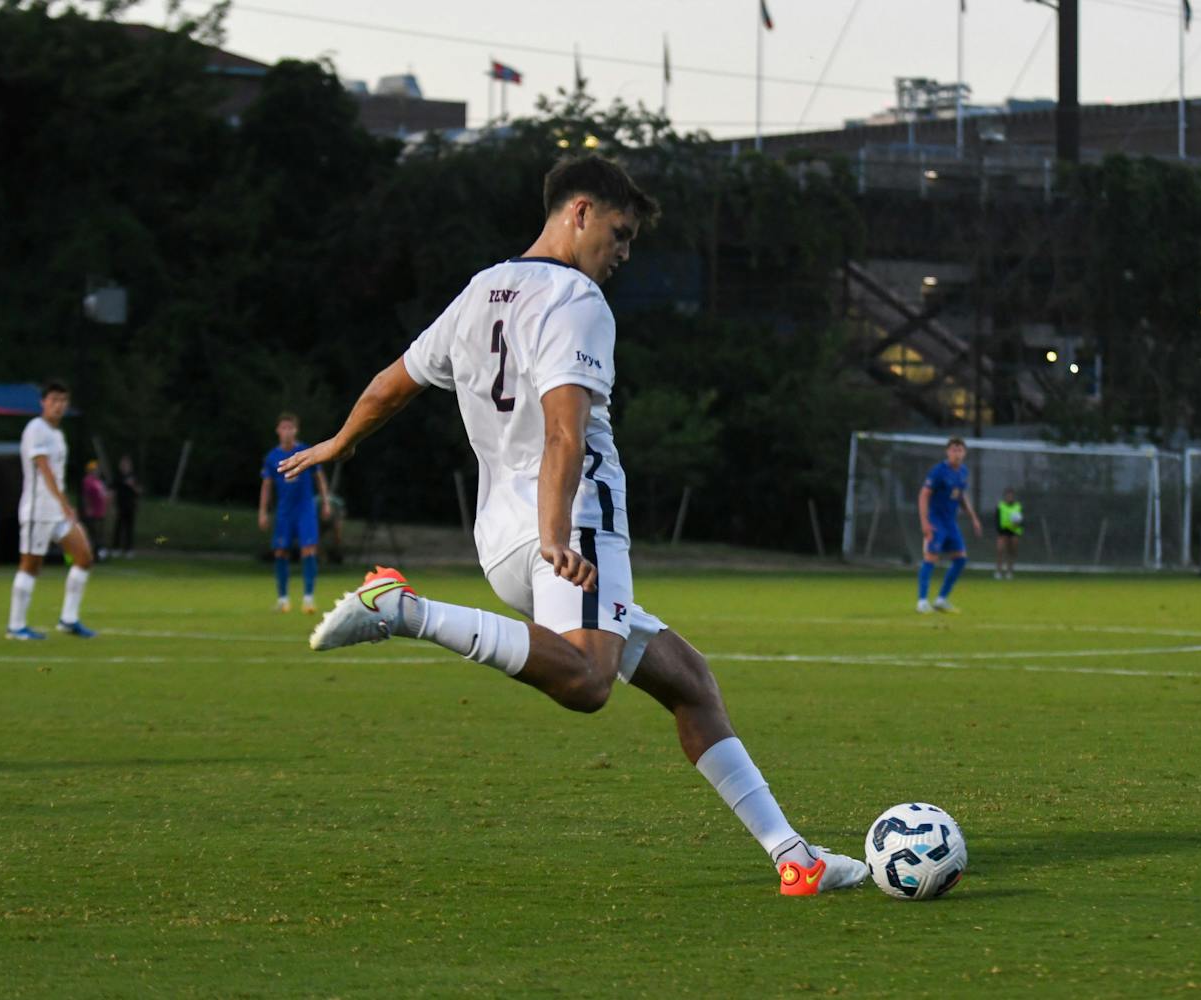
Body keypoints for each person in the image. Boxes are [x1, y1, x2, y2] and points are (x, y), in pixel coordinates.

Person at [279, 154, 867, 896]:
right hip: (571, 527)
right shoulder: (575, 299)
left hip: (502, 539)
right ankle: (404, 608)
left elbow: (392, 384)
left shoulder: (478, 292)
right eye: (619, 233)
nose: (622, 253)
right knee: (589, 681)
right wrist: (558, 532)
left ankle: (795, 858)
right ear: (579, 212)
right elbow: (566, 431)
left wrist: (339, 441)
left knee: (689, 681)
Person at [6, 380, 97, 640]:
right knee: (31, 565)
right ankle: (16, 626)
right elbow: (44, 469)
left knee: (84, 557)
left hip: (57, 512)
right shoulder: (36, 428)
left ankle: (68, 619)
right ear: (43, 402)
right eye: (53, 400)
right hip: (38, 511)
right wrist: (65, 502)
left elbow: (56, 474)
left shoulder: (58, 435)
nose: (58, 405)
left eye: (63, 401)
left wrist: (63, 505)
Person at [259, 413, 331, 614]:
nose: (287, 431)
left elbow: (319, 477)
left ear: (296, 430)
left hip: (305, 510)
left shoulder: (306, 451)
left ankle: (308, 599)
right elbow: (266, 486)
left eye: (290, 428)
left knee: (309, 550)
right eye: (283, 428)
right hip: (284, 512)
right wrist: (263, 512)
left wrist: (325, 502)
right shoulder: (272, 458)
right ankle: (283, 600)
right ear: (278, 431)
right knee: (281, 551)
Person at [916, 438, 983, 613]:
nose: (957, 453)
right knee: (931, 558)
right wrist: (925, 522)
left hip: (950, 522)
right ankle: (922, 601)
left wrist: (973, 518)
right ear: (947, 452)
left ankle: (941, 599)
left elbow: (960, 496)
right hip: (936, 520)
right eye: (954, 450)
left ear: (965, 453)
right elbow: (924, 495)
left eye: (960, 450)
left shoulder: (963, 472)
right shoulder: (939, 471)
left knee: (961, 559)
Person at [111, 454, 141, 558]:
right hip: (120, 505)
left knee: (129, 529)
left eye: (126, 464)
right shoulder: (117, 476)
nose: (124, 466)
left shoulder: (134, 476)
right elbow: (113, 492)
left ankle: (129, 549)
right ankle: (116, 549)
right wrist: (113, 506)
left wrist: (133, 485)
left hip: (130, 506)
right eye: (123, 464)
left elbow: (139, 491)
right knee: (118, 528)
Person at [80, 460, 110, 562]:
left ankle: (98, 555)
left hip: (101, 512)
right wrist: (88, 508)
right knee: (93, 535)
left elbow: (104, 495)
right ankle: (93, 555)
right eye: (95, 469)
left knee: (99, 535)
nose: (97, 471)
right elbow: (86, 496)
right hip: (93, 512)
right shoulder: (88, 480)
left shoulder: (99, 481)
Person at [994, 487, 1023, 580]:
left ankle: (1009, 572)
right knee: (1000, 550)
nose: (1009, 497)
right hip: (1003, 532)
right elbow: (996, 519)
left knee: (1012, 552)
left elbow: (1021, 520)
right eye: (1008, 495)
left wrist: (1018, 524)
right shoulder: (1000, 506)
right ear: (1005, 496)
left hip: (1014, 531)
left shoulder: (1018, 506)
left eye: (1011, 496)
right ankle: (998, 571)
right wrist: (999, 530)